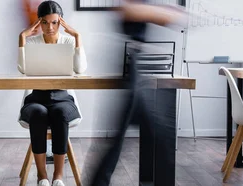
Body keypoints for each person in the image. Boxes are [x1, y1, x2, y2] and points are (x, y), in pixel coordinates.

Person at [89, 1, 187, 185]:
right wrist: (166, 13)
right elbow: (128, 9)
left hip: (134, 63)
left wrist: (165, 13)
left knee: (153, 134)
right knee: (149, 135)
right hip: (128, 62)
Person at [17, 1, 88, 186]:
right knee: (38, 113)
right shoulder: (32, 42)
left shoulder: (68, 41)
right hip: (37, 99)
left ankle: (58, 176)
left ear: (61, 22)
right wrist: (22, 38)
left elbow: (80, 69)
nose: (50, 27)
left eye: (55, 22)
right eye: (45, 22)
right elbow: (22, 69)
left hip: (63, 99)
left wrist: (78, 37)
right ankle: (42, 177)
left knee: (60, 113)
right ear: (39, 22)